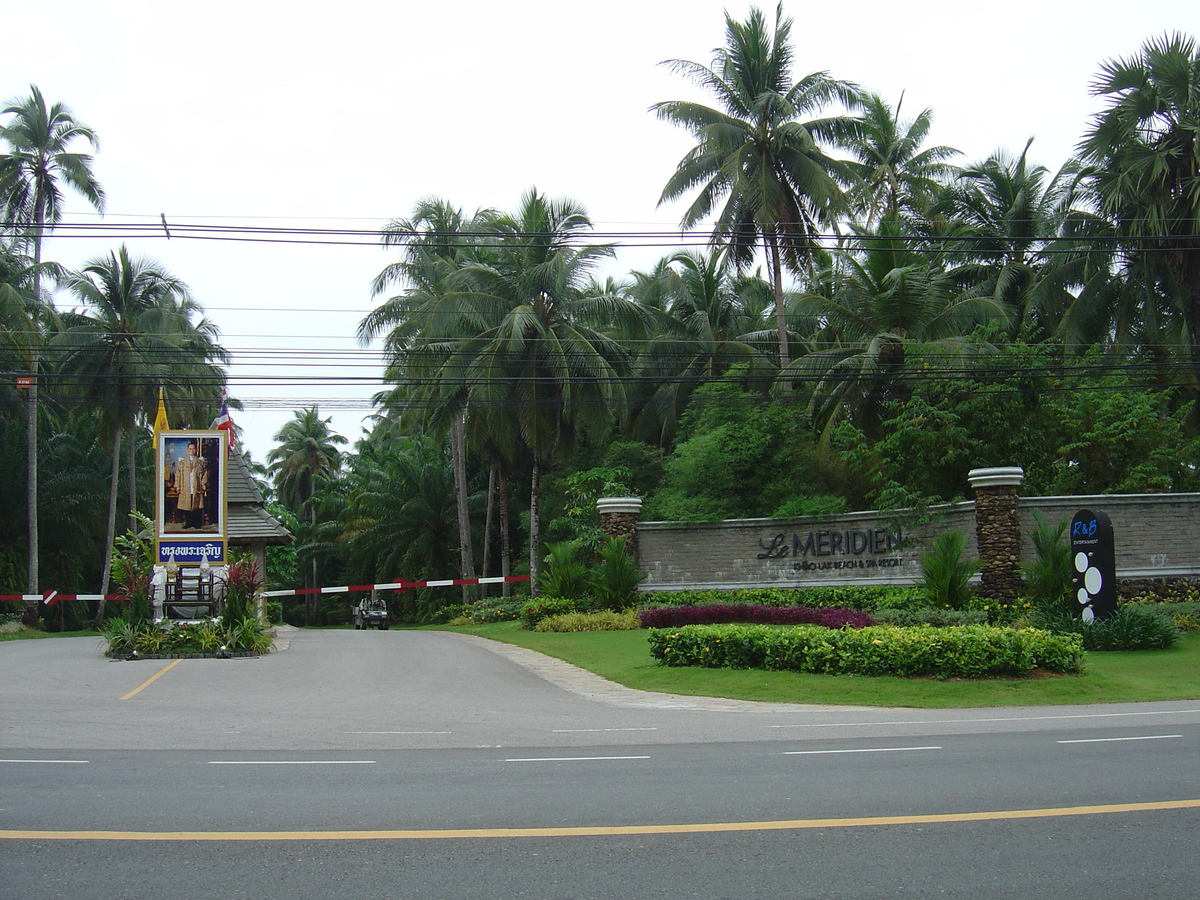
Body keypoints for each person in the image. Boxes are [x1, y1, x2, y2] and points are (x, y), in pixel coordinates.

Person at [173, 442, 207, 529]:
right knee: (186, 505)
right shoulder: (182, 462)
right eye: (190, 449)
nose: (192, 451)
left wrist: (203, 483)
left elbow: (204, 473)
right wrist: (177, 486)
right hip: (185, 486)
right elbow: (178, 474)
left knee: (196, 505)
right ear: (187, 450)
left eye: (193, 449)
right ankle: (188, 523)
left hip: (196, 486)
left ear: (196, 450)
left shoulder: (200, 461)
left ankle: (196, 523)